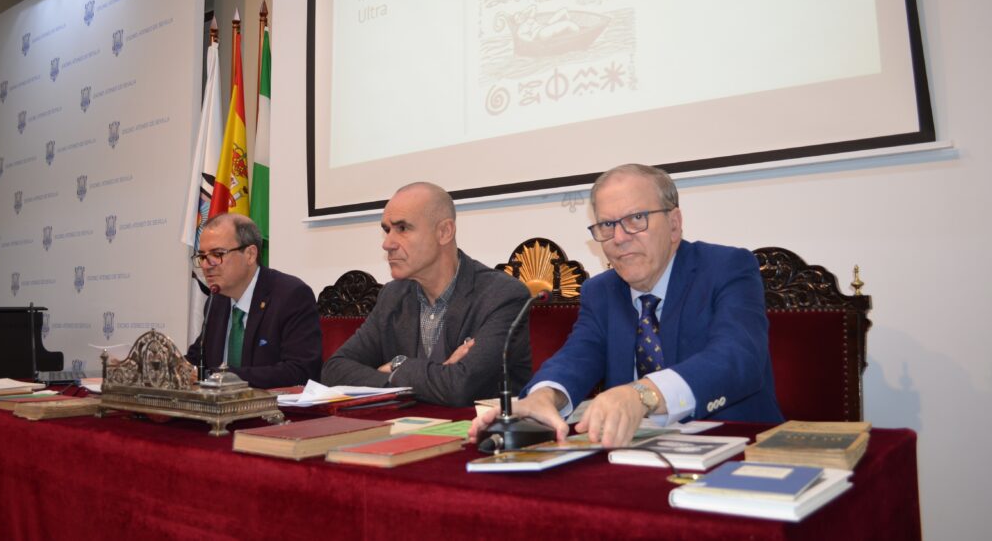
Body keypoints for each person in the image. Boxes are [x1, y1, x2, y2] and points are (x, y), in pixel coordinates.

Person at [471, 164, 782, 447]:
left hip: (739, 447)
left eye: (636, 219)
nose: (619, 237)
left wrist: (643, 394)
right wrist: (543, 397)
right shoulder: (601, 291)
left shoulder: (726, 267)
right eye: (607, 224)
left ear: (674, 224)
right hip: (633, 454)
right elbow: (578, 355)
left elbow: (738, 358)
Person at [321, 182, 531, 406]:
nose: (387, 243)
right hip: (405, 433)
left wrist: (396, 366)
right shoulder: (393, 296)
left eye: (402, 228)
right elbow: (334, 370)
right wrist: (414, 377)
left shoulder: (502, 296)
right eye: (386, 230)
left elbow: (458, 387)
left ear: (444, 232)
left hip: (480, 435)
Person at [185, 213, 322, 388]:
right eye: (203, 256)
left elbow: (300, 371)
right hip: (218, 412)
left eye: (217, 254)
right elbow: (197, 359)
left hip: (272, 412)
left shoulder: (291, 296)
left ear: (250, 254)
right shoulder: (216, 301)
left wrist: (218, 376)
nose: (205, 265)